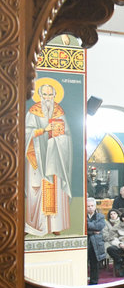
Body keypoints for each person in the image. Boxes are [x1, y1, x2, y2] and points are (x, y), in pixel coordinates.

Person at [25, 80, 72, 236]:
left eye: (50, 95)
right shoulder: (33, 112)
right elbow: (26, 133)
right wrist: (43, 130)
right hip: (37, 158)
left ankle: (55, 226)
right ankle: (33, 226)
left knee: (55, 191)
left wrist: (59, 138)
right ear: (39, 95)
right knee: (35, 190)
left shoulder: (59, 111)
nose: (47, 98)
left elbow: (67, 135)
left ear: (54, 95)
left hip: (54, 159)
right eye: (44, 95)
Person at [85, 197, 107, 285]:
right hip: (85, 243)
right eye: (88, 206)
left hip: (96, 244)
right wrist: (93, 231)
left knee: (94, 264)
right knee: (83, 263)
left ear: (95, 206)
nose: (90, 208)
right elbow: (83, 227)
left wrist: (88, 227)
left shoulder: (100, 216)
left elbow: (99, 227)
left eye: (92, 206)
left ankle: (94, 282)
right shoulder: (82, 216)